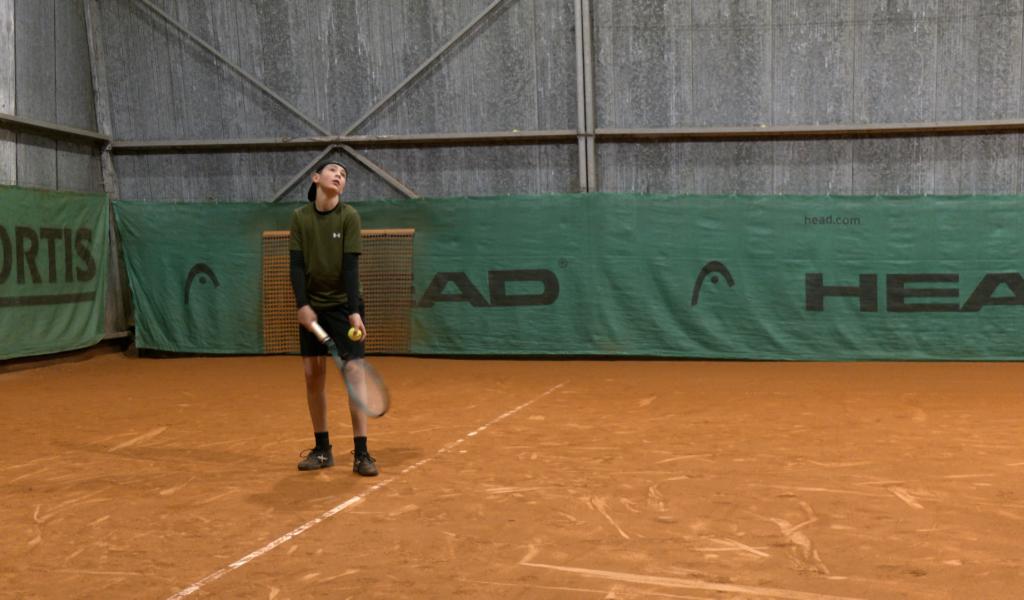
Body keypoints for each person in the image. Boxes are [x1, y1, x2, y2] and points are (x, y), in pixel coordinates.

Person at [289, 161, 378, 476]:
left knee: (354, 376)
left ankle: (362, 453)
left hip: (344, 306)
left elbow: (351, 267)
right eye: (333, 171)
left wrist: (354, 310)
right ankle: (323, 449)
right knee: (313, 375)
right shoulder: (300, 218)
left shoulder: (349, 216)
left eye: (344, 175)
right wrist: (302, 305)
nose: (339, 176)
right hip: (313, 306)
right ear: (316, 178)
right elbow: (297, 265)